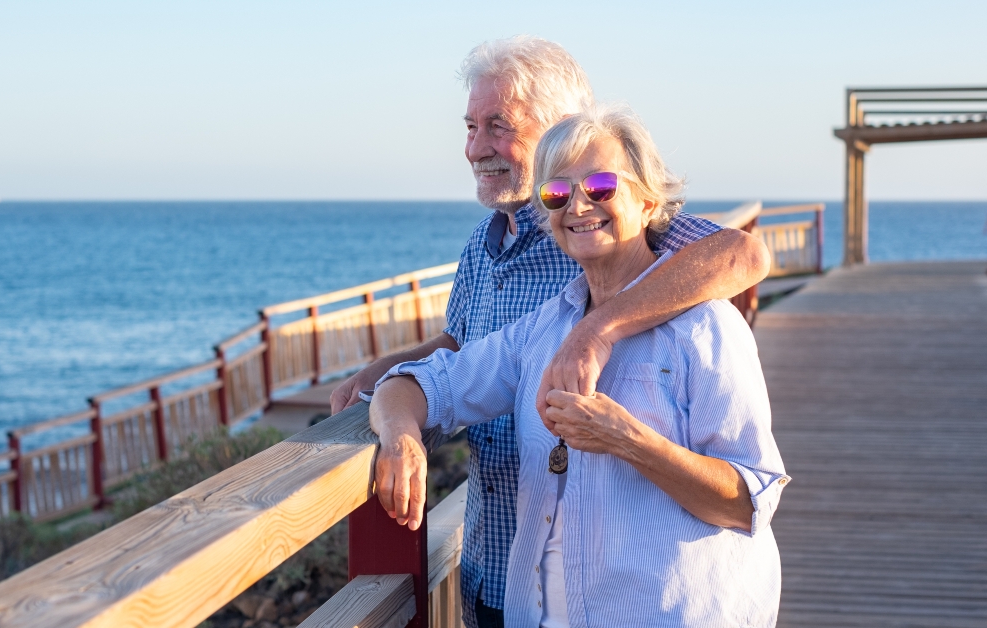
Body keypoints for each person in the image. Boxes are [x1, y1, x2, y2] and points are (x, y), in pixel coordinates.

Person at [330, 37, 770, 628]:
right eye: (470, 127)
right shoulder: (493, 252)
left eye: (497, 126)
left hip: (648, 595)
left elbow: (740, 254)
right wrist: (388, 389)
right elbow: (463, 351)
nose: (474, 147)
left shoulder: (649, 264)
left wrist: (598, 332)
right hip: (510, 568)